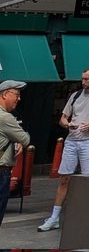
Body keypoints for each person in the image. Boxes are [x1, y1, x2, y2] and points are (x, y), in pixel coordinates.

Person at [38, 67, 89, 232]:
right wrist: (67, 124)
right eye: (82, 79)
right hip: (72, 139)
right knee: (64, 178)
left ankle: (87, 216)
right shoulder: (75, 95)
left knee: (88, 179)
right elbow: (63, 118)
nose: (83, 81)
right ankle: (54, 217)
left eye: (86, 79)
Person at [0, 81, 29, 226]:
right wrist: (18, 141)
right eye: (16, 95)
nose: (19, 99)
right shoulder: (5, 118)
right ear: (5, 94)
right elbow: (24, 138)